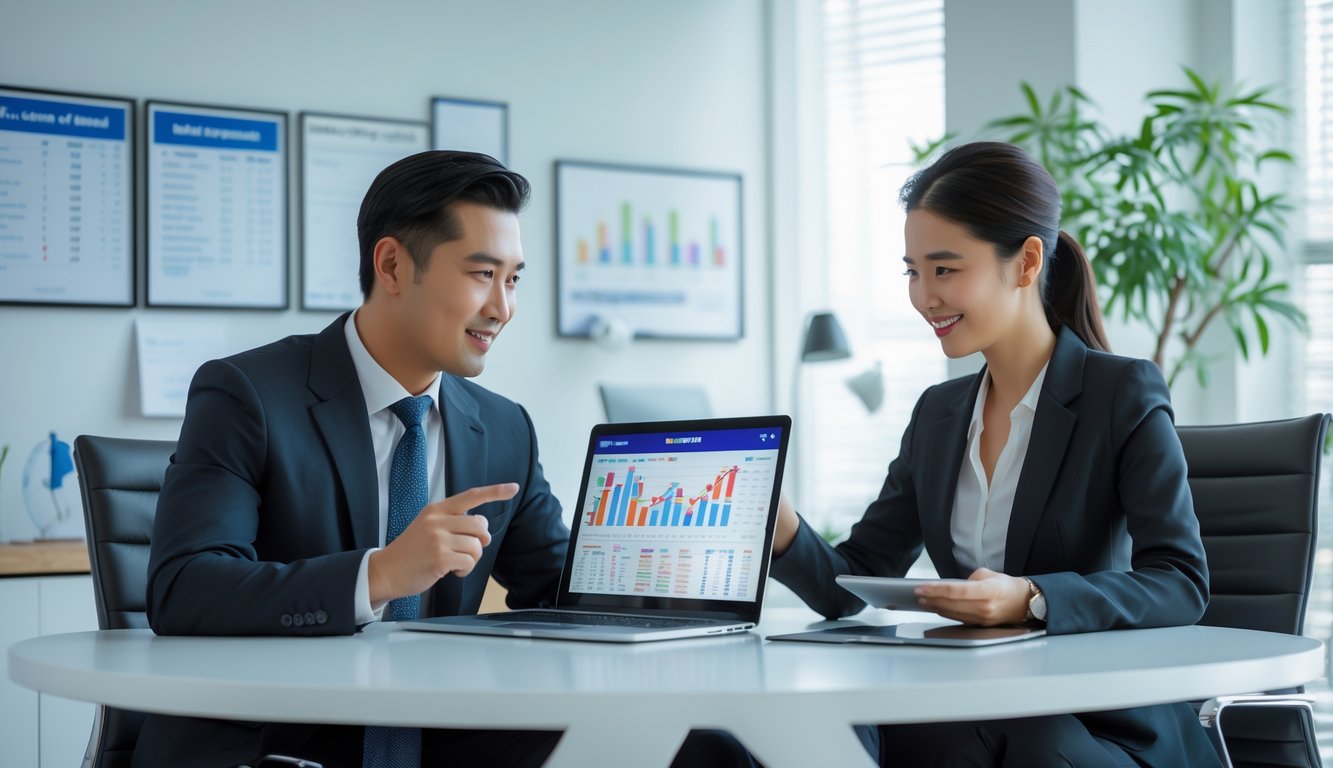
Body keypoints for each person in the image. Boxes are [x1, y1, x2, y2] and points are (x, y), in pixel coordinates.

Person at [142, 150, 755, 768]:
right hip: (283, 742)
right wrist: (381, 573)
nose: (502, 308)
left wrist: (682, 572)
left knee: (705, 751)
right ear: (391, 265)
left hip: (442, 739)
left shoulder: (504, 428)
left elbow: (560, 593)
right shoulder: (248, 394)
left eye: (513, 280)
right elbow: (184, 587)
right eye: (482, 274)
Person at [768, 141, 1221, 767]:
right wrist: (783, 530)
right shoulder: (938, 414)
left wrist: (1032, 598)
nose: (924, 297)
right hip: (974, 709)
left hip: (1094, 724)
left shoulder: (1121, 393)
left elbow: (1179, 581)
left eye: (945, 270)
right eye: (912, 272)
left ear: (1027, 262)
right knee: (799, 733)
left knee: (959, 741)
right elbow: (855, 581)